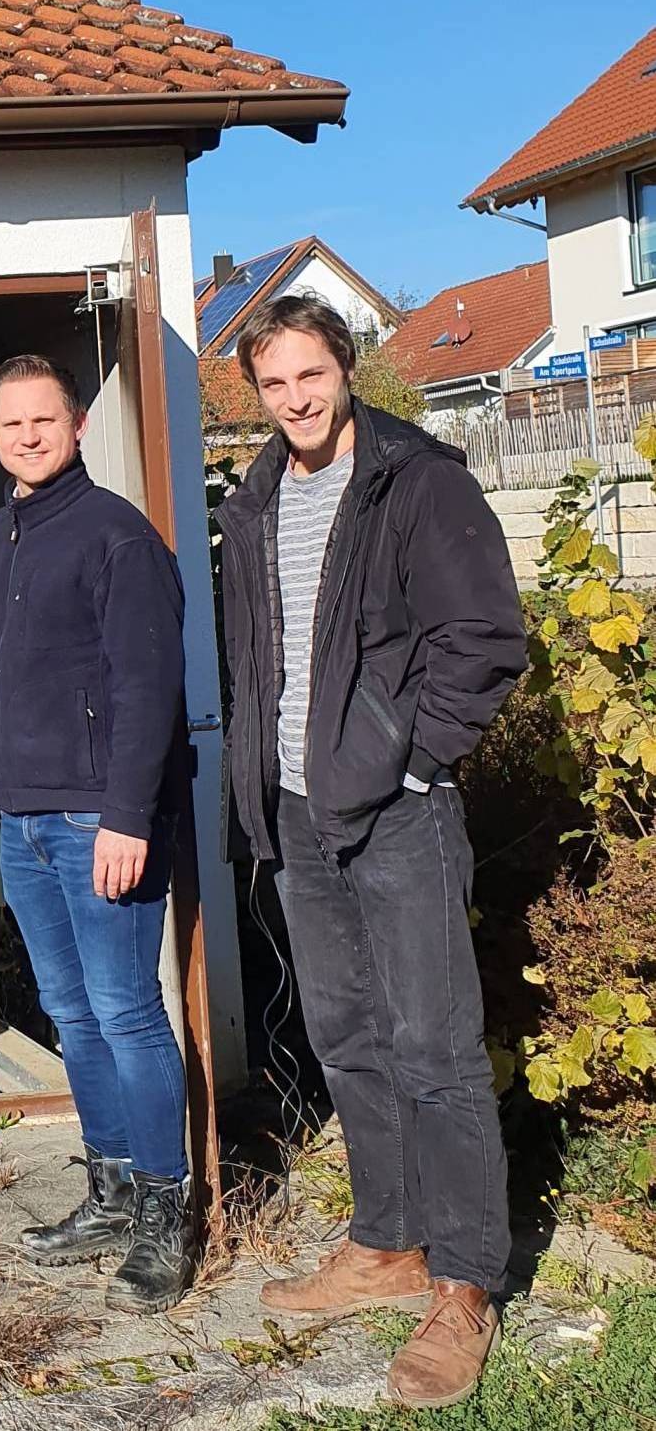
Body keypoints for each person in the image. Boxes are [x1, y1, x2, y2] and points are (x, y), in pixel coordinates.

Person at [217, 295, 526, 1408]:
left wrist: (410, 764)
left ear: (344, 369)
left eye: (311, 374)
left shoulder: (417, 479)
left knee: (434, 1046)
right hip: (298, 812)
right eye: (274, 383)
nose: (295, 398)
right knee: (346, 1034)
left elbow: (485, 638)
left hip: (395, 811)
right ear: (255, 390)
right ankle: (387, 1240)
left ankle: (463, 1279)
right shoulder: (255, 498)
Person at [0, 354, 195, 1313]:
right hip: (23, 819)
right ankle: (112, 1191)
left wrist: (128, 815)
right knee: (74, 1013)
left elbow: (147, 691)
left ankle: (167, 1215)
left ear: (76, 423)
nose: (27, 437)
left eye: (43, 421)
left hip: (99, 817)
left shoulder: (116, 537)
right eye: (11, 424)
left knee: (127, 1010)